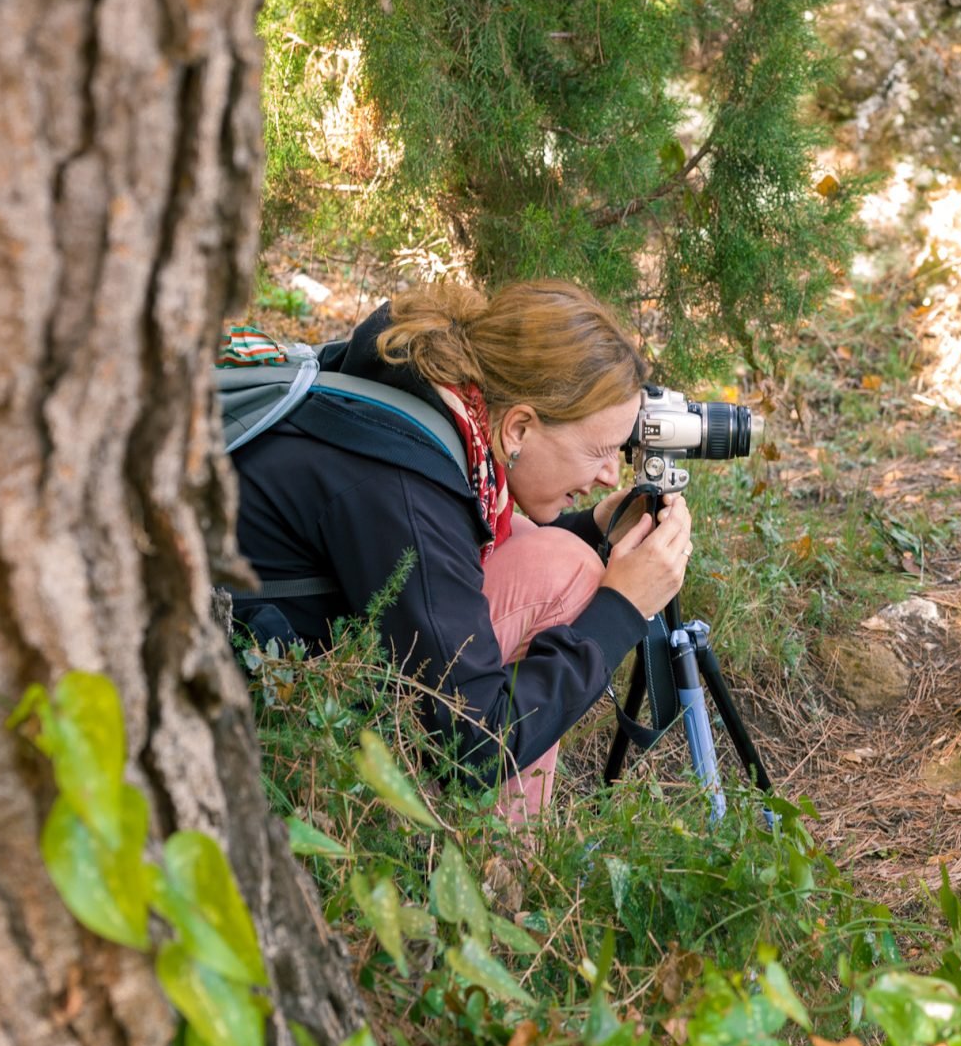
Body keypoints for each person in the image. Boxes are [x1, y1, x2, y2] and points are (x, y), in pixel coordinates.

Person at [229, 280, 692, 824]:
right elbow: (474, 748)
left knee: (541, 540)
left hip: (280, 632)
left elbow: (452, 549)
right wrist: (621, 609)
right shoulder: (404, 491)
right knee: (566, 572)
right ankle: (497, 871)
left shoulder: (429, 399)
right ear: (518, 426)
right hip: (263, 717)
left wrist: (595, 526)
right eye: (599, 451)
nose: (610, 473)